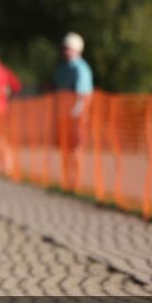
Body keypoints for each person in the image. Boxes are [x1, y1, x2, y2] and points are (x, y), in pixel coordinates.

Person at [54, 32, 93, 191]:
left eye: (68, 48)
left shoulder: (81, 69)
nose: (65, 51)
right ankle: (67, 179)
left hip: (77, 117)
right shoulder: (62, 69)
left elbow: (82, 96)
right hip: (64, 117)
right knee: (65, 149)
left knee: (76, 149)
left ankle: (76, 181)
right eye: (64, 48)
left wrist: (76, 114)